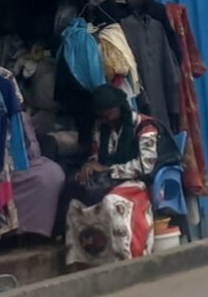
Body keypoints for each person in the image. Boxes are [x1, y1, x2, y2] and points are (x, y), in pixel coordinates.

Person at [65, 84, 158, 268]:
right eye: (101, 115)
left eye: (109, 114)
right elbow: (96, 156)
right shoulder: (101, 127)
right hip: (107, 180)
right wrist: (90, 166)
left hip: (135, 180)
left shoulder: (145, 126)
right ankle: (85, 262)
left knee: (111, 203)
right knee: (74, 205)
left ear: (120, 108)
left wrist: (108, 170)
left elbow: (145, 166)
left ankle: (123, 258)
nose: (106, 119)